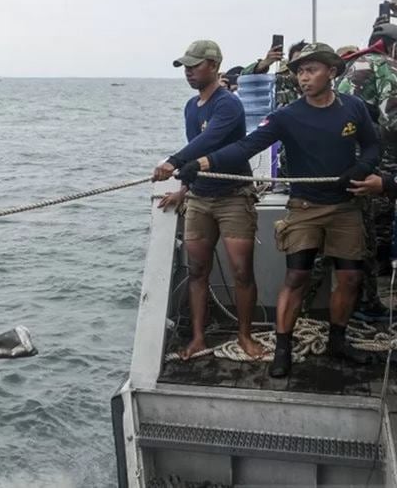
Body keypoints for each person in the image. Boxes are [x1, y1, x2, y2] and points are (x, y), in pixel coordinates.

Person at [173, 43, 380, 378]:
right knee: (296, 277)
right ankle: (283, 348)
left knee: (350, 277)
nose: (303, 77)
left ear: (332, 71)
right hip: (304, 207)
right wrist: (201, 163)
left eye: (311, 70)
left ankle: (337, 340)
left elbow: (372, 145)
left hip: (345, 206)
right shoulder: (287, 116)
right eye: (299, 71)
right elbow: (246, 146)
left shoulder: (354, 109)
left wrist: (363, 167)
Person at [152, 40, 264, 360]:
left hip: (233, 197)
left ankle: (245, 335)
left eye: (194, 65)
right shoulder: (191, 106)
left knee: (242, 271)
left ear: (214, 65)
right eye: (185, 66)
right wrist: (183, 189)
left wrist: (172, 162)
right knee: (197, 270)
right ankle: (198, 337)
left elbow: (210, 140)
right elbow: (196, 150)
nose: (188, 71)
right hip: (200, 197)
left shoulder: (228, 104)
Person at [337, 22, 397, 322]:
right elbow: (393, 120)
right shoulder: (386, 68)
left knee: (358, 232)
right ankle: (366, 303)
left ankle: (357, 303)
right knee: (371, 232)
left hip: (343, 160)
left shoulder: (351, 65)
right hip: (373, 162)